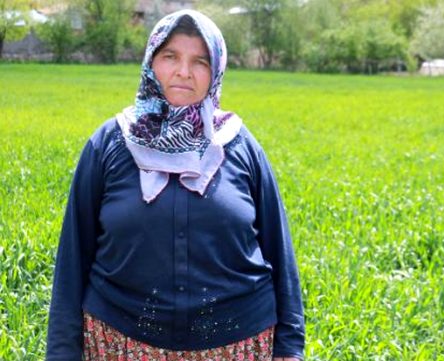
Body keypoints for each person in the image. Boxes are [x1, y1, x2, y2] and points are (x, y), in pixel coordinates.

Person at [46, 9, 304, 361]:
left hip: (236, 344)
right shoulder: (108, 144)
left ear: (216, 71)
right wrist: (62, 352)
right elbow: (73, 258)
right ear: (151, 61)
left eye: (200, 61)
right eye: (170, 56)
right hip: (120, 342)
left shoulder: (240, 146)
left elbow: (279, 250)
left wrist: (290, 348)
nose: (184, 71)